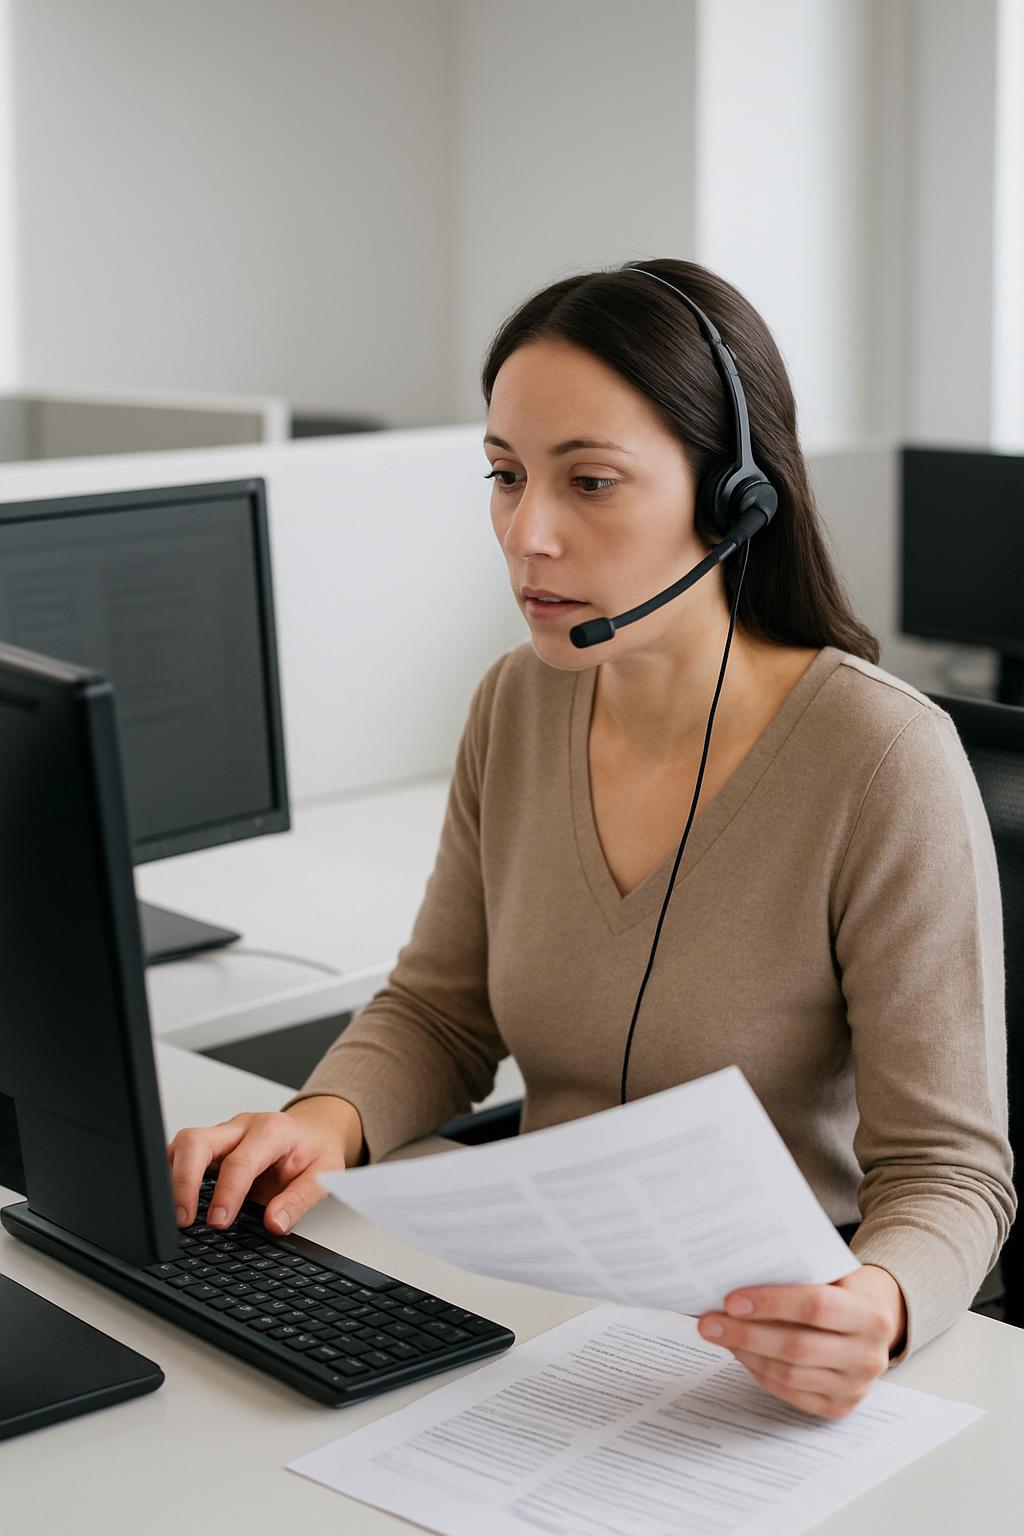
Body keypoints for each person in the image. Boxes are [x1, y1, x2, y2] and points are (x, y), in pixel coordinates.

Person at [168, 257, 1015, 1420]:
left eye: (591, 483)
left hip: (762, 1340)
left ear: (733, 499)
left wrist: (880, 1305)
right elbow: (441, 1007)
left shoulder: (876, 758)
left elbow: (947, 1173)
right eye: (505, 476)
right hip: (533, 1307)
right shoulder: (516, 704)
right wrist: (322, 1122)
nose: (529, 534)